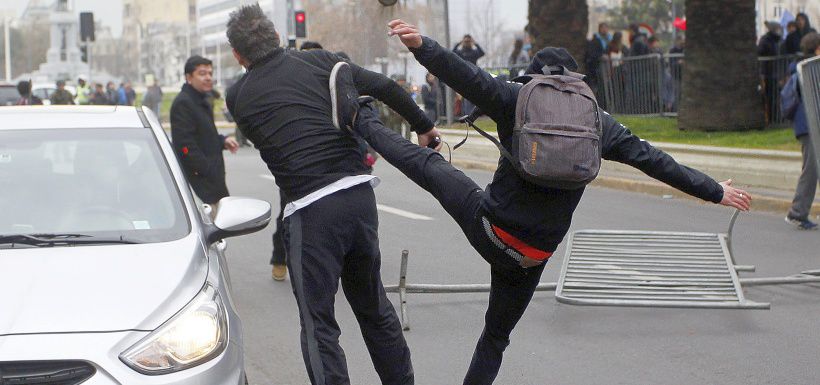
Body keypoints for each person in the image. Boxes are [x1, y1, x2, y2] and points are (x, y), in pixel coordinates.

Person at [380, 19, 752, 384]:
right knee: (495, 338)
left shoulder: (516, 96)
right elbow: (654, 160)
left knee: (430, 166)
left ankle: (361, 120)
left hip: (490, 229)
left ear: (533, 75)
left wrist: (422, 46)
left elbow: (466, 76)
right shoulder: (596, 119)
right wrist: (714, 190)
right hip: (533, 255)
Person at [224, 5, 435, 384]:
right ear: (275, 37)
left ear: (238, 55)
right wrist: (424, 126)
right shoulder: (323, 61)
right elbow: (385, 88)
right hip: (358, 196)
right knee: (374, 307)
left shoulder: (238, 96)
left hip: (310, 209)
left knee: (319, 324)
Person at [171, 55, 239, 212]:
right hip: (202, 184)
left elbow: (204, 134)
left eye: (210, 73)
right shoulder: (184, 103)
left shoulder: (202, 100)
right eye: (202, 74)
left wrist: (223, 141)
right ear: (189, 77)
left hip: (213, 180)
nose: (208, 78)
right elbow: (184, 146)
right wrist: (206, 170)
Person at [785, 32, 820, 230]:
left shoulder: (807, 68)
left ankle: (798, 211)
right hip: (809, 126)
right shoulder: (806, 69)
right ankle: (797, 213)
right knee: (811, 170)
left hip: (809, 124)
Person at [453, 34, 485, 115]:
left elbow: (482, 53)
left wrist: (475, 43)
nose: (467, 43)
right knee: (464, 97)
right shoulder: (460, 52)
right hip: (463, 76)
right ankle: (466, 114)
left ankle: (474, 114)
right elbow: (452, 52)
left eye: (468, 41)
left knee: (474, 96)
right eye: (466, 41)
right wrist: (459, 43)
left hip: (474, 75)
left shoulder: (474, 52)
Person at [758, 21, 783, 124]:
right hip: (768, 73)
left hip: (774, 73)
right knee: (769, 97)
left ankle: (776, 118)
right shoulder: (765, 40)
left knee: (775, 97)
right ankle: (771, 119)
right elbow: (760, 52)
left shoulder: (777, 41)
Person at [584, 23, 610, 93]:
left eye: (606, 28)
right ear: (599, 29)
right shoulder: (595, 40)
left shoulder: (609, 39)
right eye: (603, 28)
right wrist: (601, 56)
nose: (604, 30)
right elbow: (592, 53)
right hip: (596, 67)